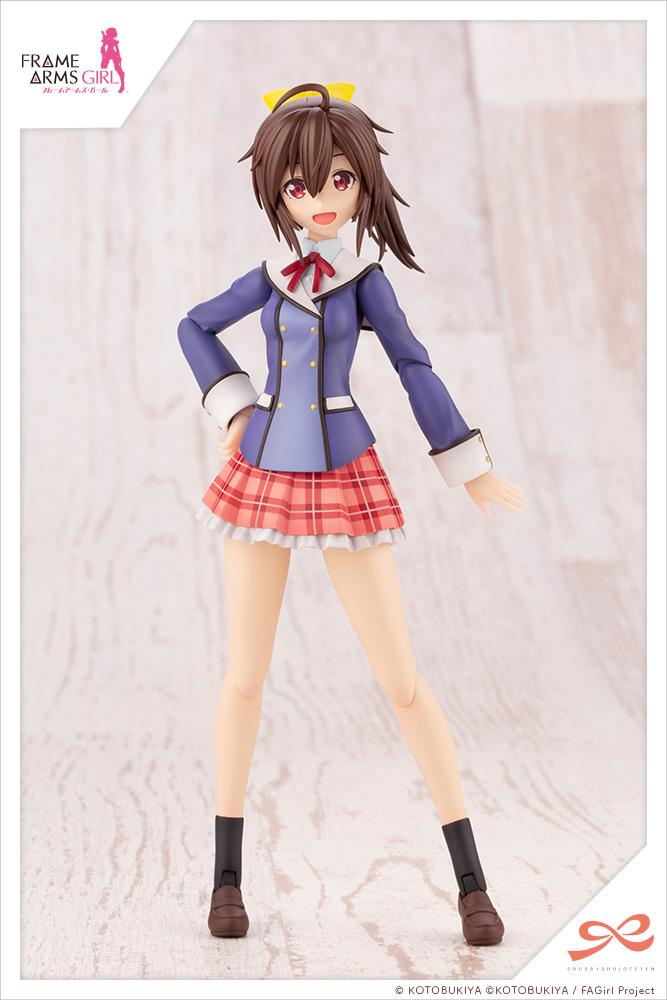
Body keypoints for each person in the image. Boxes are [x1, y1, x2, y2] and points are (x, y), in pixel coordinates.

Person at [178, 82, 526, 946]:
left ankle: (470, 885)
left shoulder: (365, 282)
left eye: (338, 180)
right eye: (300, 187)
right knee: (245, 675)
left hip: (342, 471)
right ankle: (225, 880)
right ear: (278, 193)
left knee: (399, 678)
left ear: (363, 181)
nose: (322, 200)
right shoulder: (269, 277)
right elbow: (193, 327)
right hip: (263, 469)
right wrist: (233, 408)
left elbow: (414, 368)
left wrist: (468, 467)